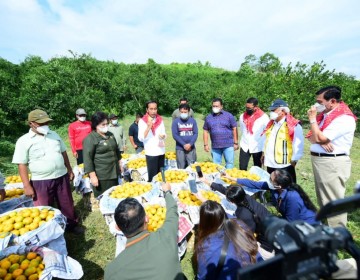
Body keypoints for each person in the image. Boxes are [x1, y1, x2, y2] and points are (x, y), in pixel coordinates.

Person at [12, 109, 82, 233]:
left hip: (61, 176)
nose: (45, 126)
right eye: (41, 124)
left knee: (66, 203)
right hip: (41, 181)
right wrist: (27, 185)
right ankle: (48, 231)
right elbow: (21, 164)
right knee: (44, 208)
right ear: (31, 124)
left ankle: (71, 225)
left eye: (46, 123)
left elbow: (63, 153)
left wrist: (69, 169)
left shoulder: (54, 135)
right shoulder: (24, 141)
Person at [104, 183, 185, 280]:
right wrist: (167, 192)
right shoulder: (166, 236)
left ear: (118, 228)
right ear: (147, 219)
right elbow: (172, 212)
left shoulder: (111, 272)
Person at [307, 86, 357, 228]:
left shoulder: (343, 118)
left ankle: (337, 233)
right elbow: (312, 137)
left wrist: (312, 120)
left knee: (332, 199)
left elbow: (320, 137)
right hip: (322, 161)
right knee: (323, 197)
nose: (316, 105)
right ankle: (327, 228)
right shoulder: (326, 115)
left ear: (332, 101)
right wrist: (321, 140)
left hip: (332, 162)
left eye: (320, 102)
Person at [199, 178, 273, 256]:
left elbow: (248, 235)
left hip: (268, 242)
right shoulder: (245, 197)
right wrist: (209, 182)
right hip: (272, 224)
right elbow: (226, 191)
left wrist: (207, 204)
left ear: (231, 202)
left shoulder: (243, 214)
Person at [223, 169, 318, 225]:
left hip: (306, 225)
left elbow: (291, 221)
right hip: (290, 219)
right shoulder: (275, 187)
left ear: (278, 186)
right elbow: (255, 184)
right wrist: (232, 178)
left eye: (270, 179)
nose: (268, 180)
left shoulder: (292, 197)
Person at [196, 200, 262, 280]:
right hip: (259, 272)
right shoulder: (239, 225)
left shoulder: (208, 246)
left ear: (204, 223)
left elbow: (203, 276)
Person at [262, 99, 304, 183]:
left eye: (274, 110)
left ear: (283, 111)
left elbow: (298, 144)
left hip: (284, 163)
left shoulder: (293, 125)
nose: (271, 112)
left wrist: (294, 160)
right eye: (271, 110)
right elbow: (266, 140)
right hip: (270, 162)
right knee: (272, 185)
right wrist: (264, 153)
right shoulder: (271, 124)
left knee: (287, 187)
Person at [83, 112, 121, 198]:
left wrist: (120, 163)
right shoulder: (90, 139)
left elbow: (116, 150)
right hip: (102, 176)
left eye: (107, 124)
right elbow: (87, 159)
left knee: (115, 195)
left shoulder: (110, 135)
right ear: (96, 125)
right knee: (105, 198)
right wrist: (93, 176)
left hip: (114, 172)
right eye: (103, 124)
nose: (105, 126)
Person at [203, 98, 239, 169]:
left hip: (228, 145)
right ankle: (217, 179)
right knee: (216, 165)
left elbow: (234, 128)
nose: (215, 108)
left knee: (229, 163)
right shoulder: (209, 117)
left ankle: (228, 179)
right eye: (214, 106)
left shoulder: (229, 116)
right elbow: (205, 130)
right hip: (215, 146)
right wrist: (205, 144)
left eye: (217, 106)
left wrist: (236, 143)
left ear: (221, 106)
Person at [138, 101, 166, 182]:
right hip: (151, 153)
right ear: (147, 110)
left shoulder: (160, 119)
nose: (153, 111)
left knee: (161, 176)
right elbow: (141, 138)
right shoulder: (143, 121)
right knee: (153, 177)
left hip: (161, 151)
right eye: (151, 109)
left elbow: (164, 133)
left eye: (155, 109)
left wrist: (163, 136)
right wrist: (148, 128)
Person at [239, 97, 269, 170]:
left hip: (258, 146)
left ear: (256, 107)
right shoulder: (242, 116)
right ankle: (243, 181)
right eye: (246, 107)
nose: (247, 109)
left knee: (257, 168)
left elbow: (267, 131)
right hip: (245, 145)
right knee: (242, 167)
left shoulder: (264, 117)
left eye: (250, 108)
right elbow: (243, 130)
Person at [171, 103, 198, 169]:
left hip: (191, 148)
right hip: (180, 148)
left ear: (188, 112)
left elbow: (195, 133)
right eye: (182, 112)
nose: (183, 113)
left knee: (192, 167)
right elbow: (175, 135)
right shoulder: (176, 122)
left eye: (185, 112)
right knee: (181, 167)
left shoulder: (193, 121)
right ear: (179, 112)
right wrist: (184, 144)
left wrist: (190, 144)